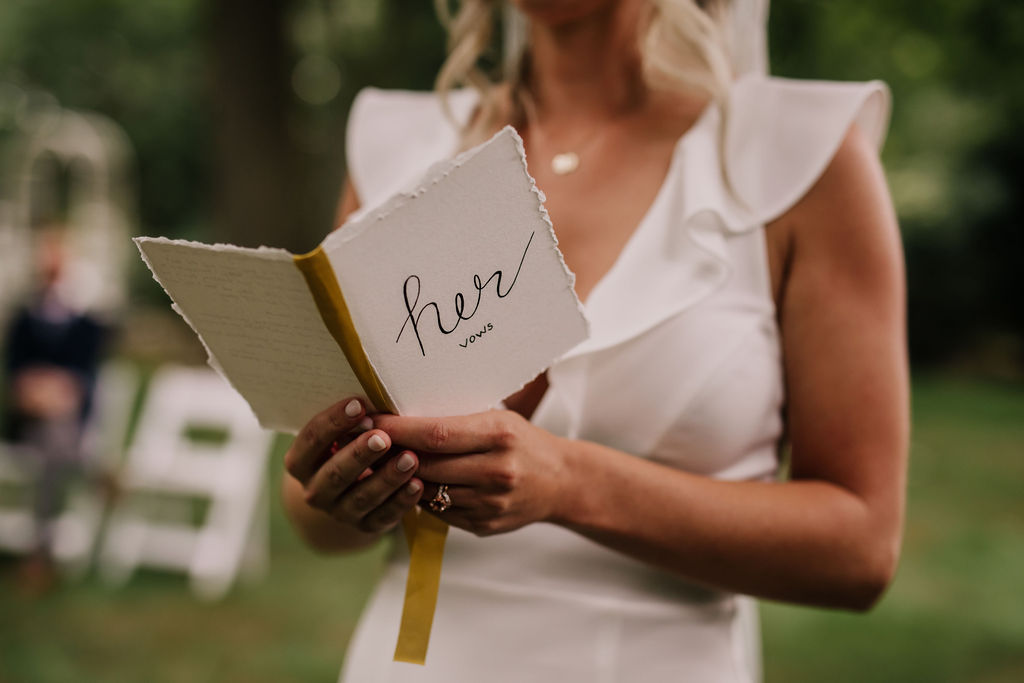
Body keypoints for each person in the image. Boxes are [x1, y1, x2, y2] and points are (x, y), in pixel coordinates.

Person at [282, 0, 908, 680]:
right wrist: (346, 488)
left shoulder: (799, 156)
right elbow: (309, 518)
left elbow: (861, 549)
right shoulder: (398, 151)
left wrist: (570, 484)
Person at [3, 227, 107, 593]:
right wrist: (34, 392)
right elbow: (14, 372)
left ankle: (39, 549)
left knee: (56, 441)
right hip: (28, 422)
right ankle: (96, 471)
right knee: (57, 440)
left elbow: (86, 375)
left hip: (68, 420)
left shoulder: (87, 322)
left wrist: (61, 392)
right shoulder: (22, 319)